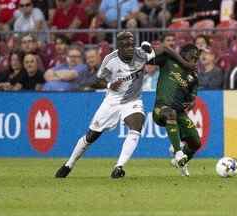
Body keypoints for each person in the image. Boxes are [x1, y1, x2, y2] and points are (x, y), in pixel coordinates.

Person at [55, 31, 155, 178]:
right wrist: (109, 85)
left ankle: (119, 167)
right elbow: (98, 79)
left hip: (133, 100)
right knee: (92, 136)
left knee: (137, 126)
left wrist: (150, 49)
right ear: (119, 46)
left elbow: (154, 59)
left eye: (131, 45)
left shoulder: (140, 54)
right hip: (112, 101)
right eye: (125, 45)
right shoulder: (110, 60)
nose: (129, 48)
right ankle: (69, 164)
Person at [149, 43, 201, 176]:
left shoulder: (194, 77)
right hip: (161, 109)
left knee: (196, 142)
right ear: (184, 54)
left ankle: (181, 163)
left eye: (197, 59)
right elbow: (150, 58)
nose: (195, 60)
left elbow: (192, 97)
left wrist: (191, 102)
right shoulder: (168, 61)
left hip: (179, 112)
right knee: (170, 113)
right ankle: (178, 153)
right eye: (193, 57)